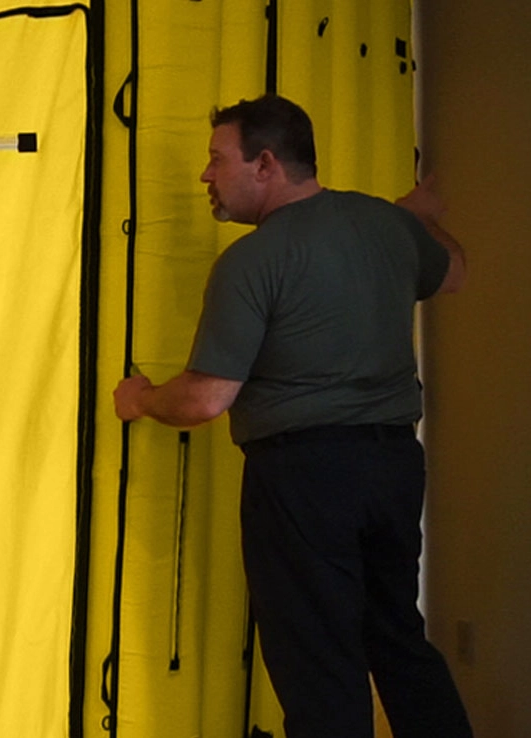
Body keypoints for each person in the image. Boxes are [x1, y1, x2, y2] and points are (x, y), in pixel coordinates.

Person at [112, 94, 471, 737]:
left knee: (319, 665)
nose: (206, 176)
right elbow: (457, 274)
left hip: (304, 478)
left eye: (217, 160)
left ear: (266, 164)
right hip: (394, 466)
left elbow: (205, 399)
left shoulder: (253, 260)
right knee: (397, 638)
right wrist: (418, 221)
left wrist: (140, 399)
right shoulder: (383, 226)